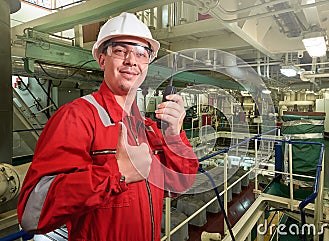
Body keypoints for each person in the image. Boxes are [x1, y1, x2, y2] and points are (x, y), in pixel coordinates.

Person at [17, 12, 199, 241]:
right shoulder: (76, 118)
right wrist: (117, 173)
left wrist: (174, 135)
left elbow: (181, 183)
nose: (132, 60)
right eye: (121, 50)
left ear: (147, 64)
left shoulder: (149, 129)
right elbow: (32, 214)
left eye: (141, 53)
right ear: (102, 59)